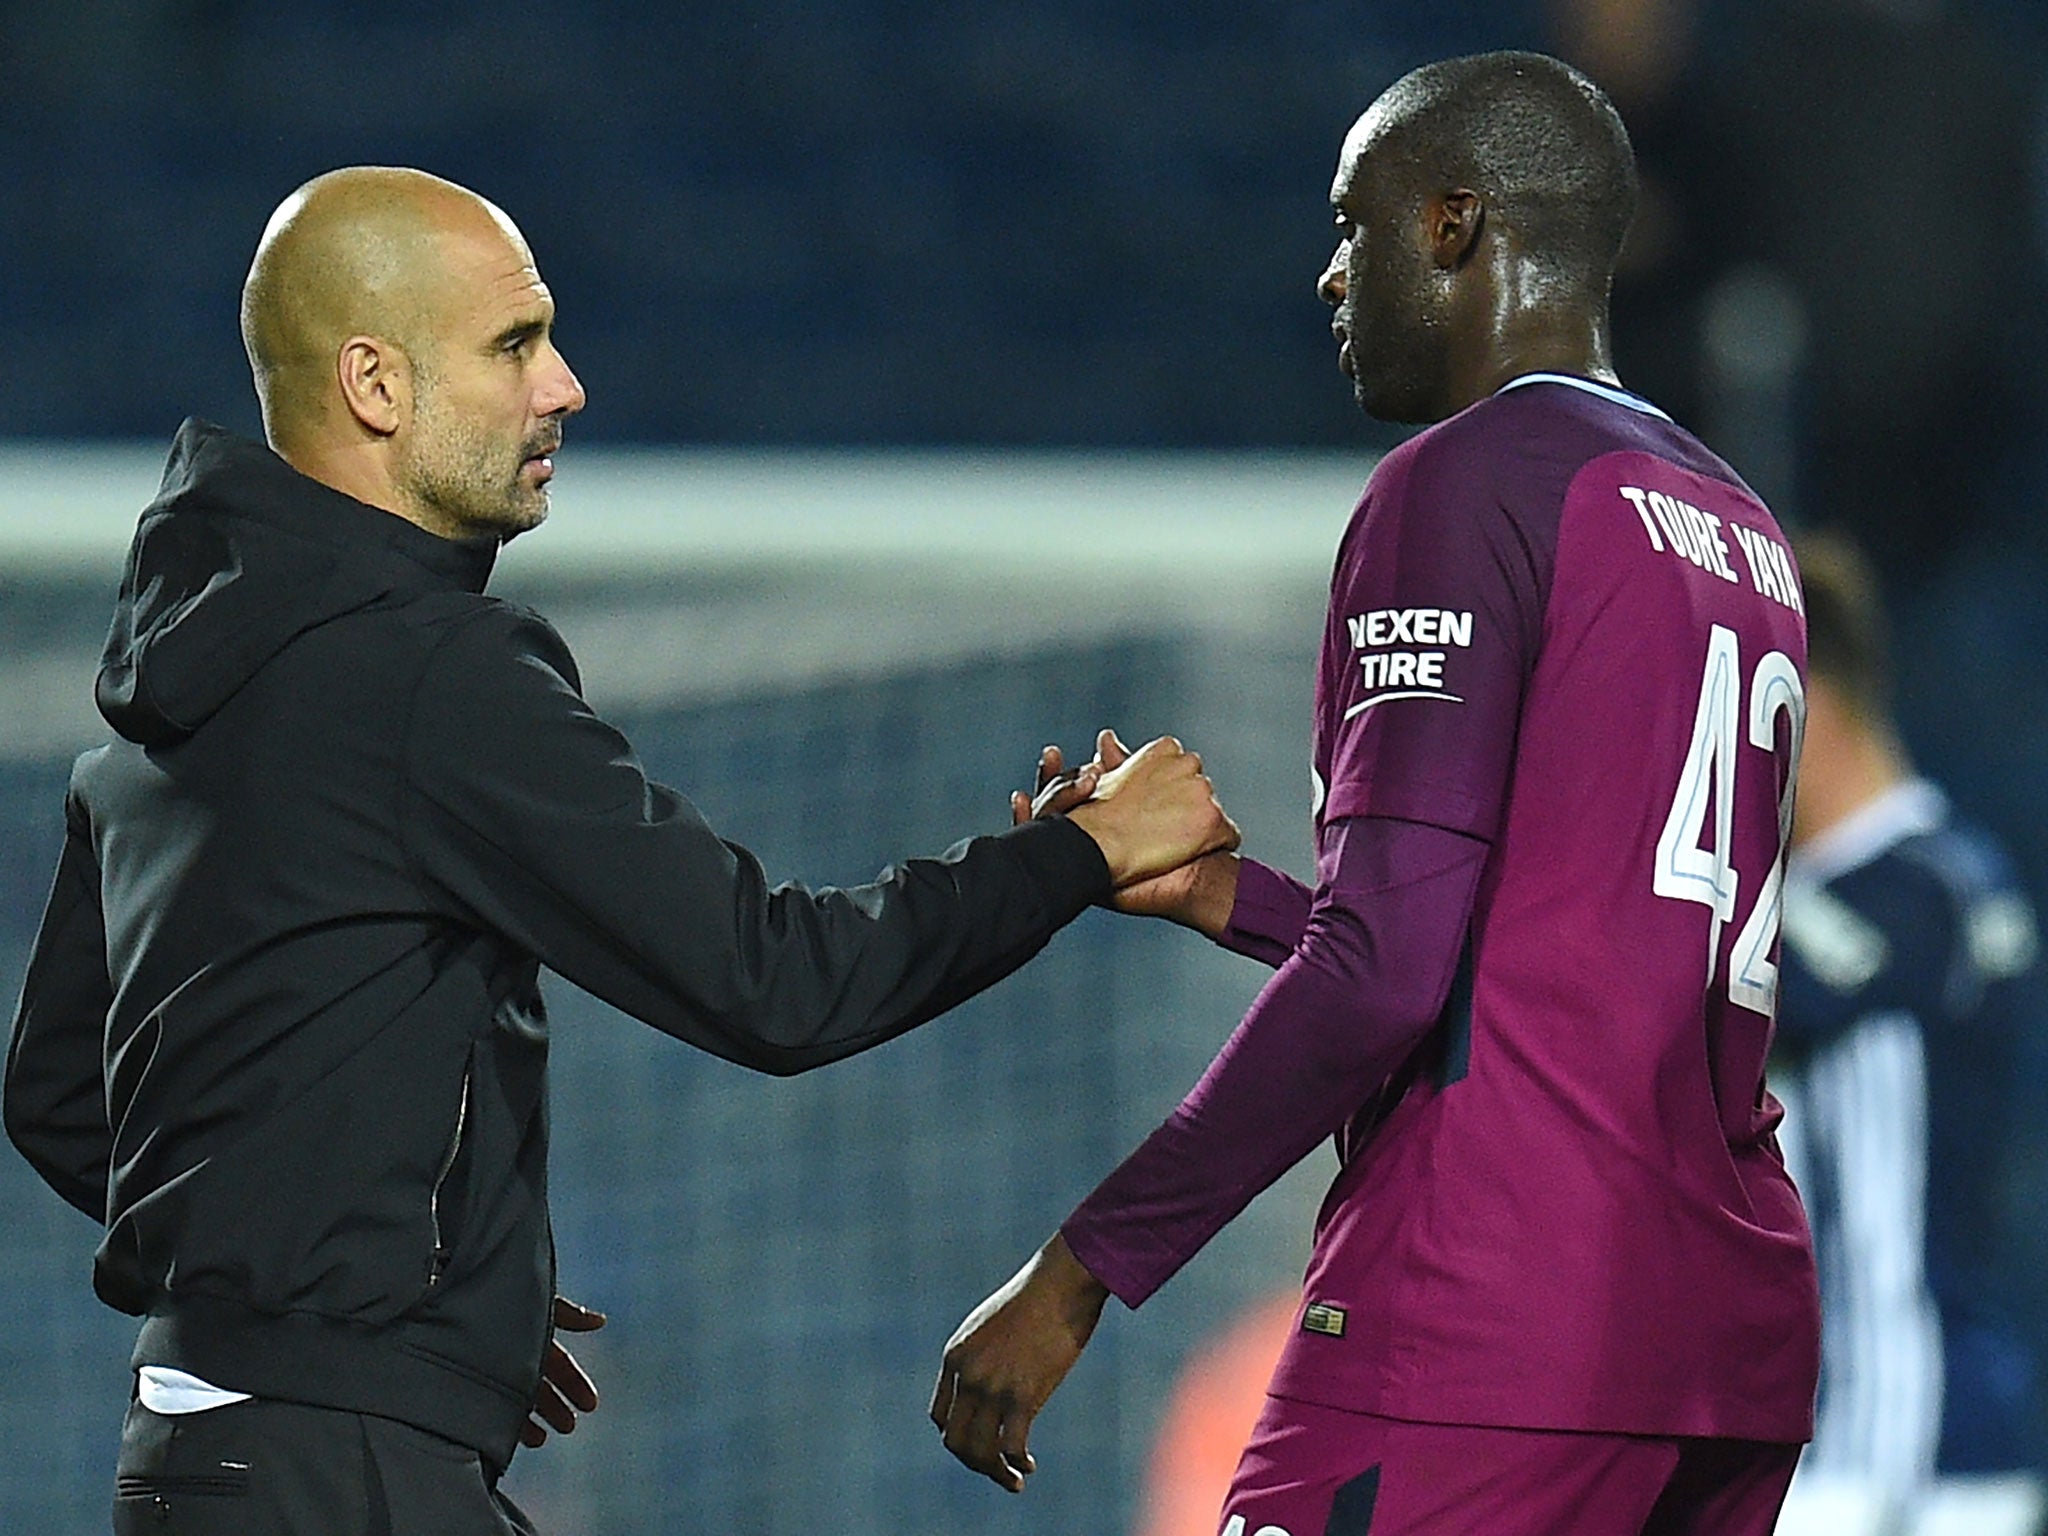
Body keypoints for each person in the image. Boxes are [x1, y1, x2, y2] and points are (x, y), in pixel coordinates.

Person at [1, 166, 1239, 1536]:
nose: (566, 385)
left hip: (192, 1472)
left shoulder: (169, 688)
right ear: (375, 384)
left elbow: (63, 1090)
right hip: (341, 1484)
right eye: (514, 343)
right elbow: (779, 983)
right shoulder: (430, 677)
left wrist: (376, 1295)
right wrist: (1077, 855)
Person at [931, 51, 1821, 1535]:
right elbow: (1549, 958)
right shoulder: (1736, 524)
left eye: (1356, 223)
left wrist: (1081, 1270)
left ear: (1458, 223)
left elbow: (1389, 970)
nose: (1331, 276)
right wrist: (1233, 896)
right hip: (1721, 1341)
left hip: (1489, 1316)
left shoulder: (1464, 482)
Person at [1769, 533, 2047, 1532]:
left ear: (1809, 707)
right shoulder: (1963, 875)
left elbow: (1670, 1009)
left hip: (1873, 1446)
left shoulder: (1895, 899)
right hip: (1958, 1432)